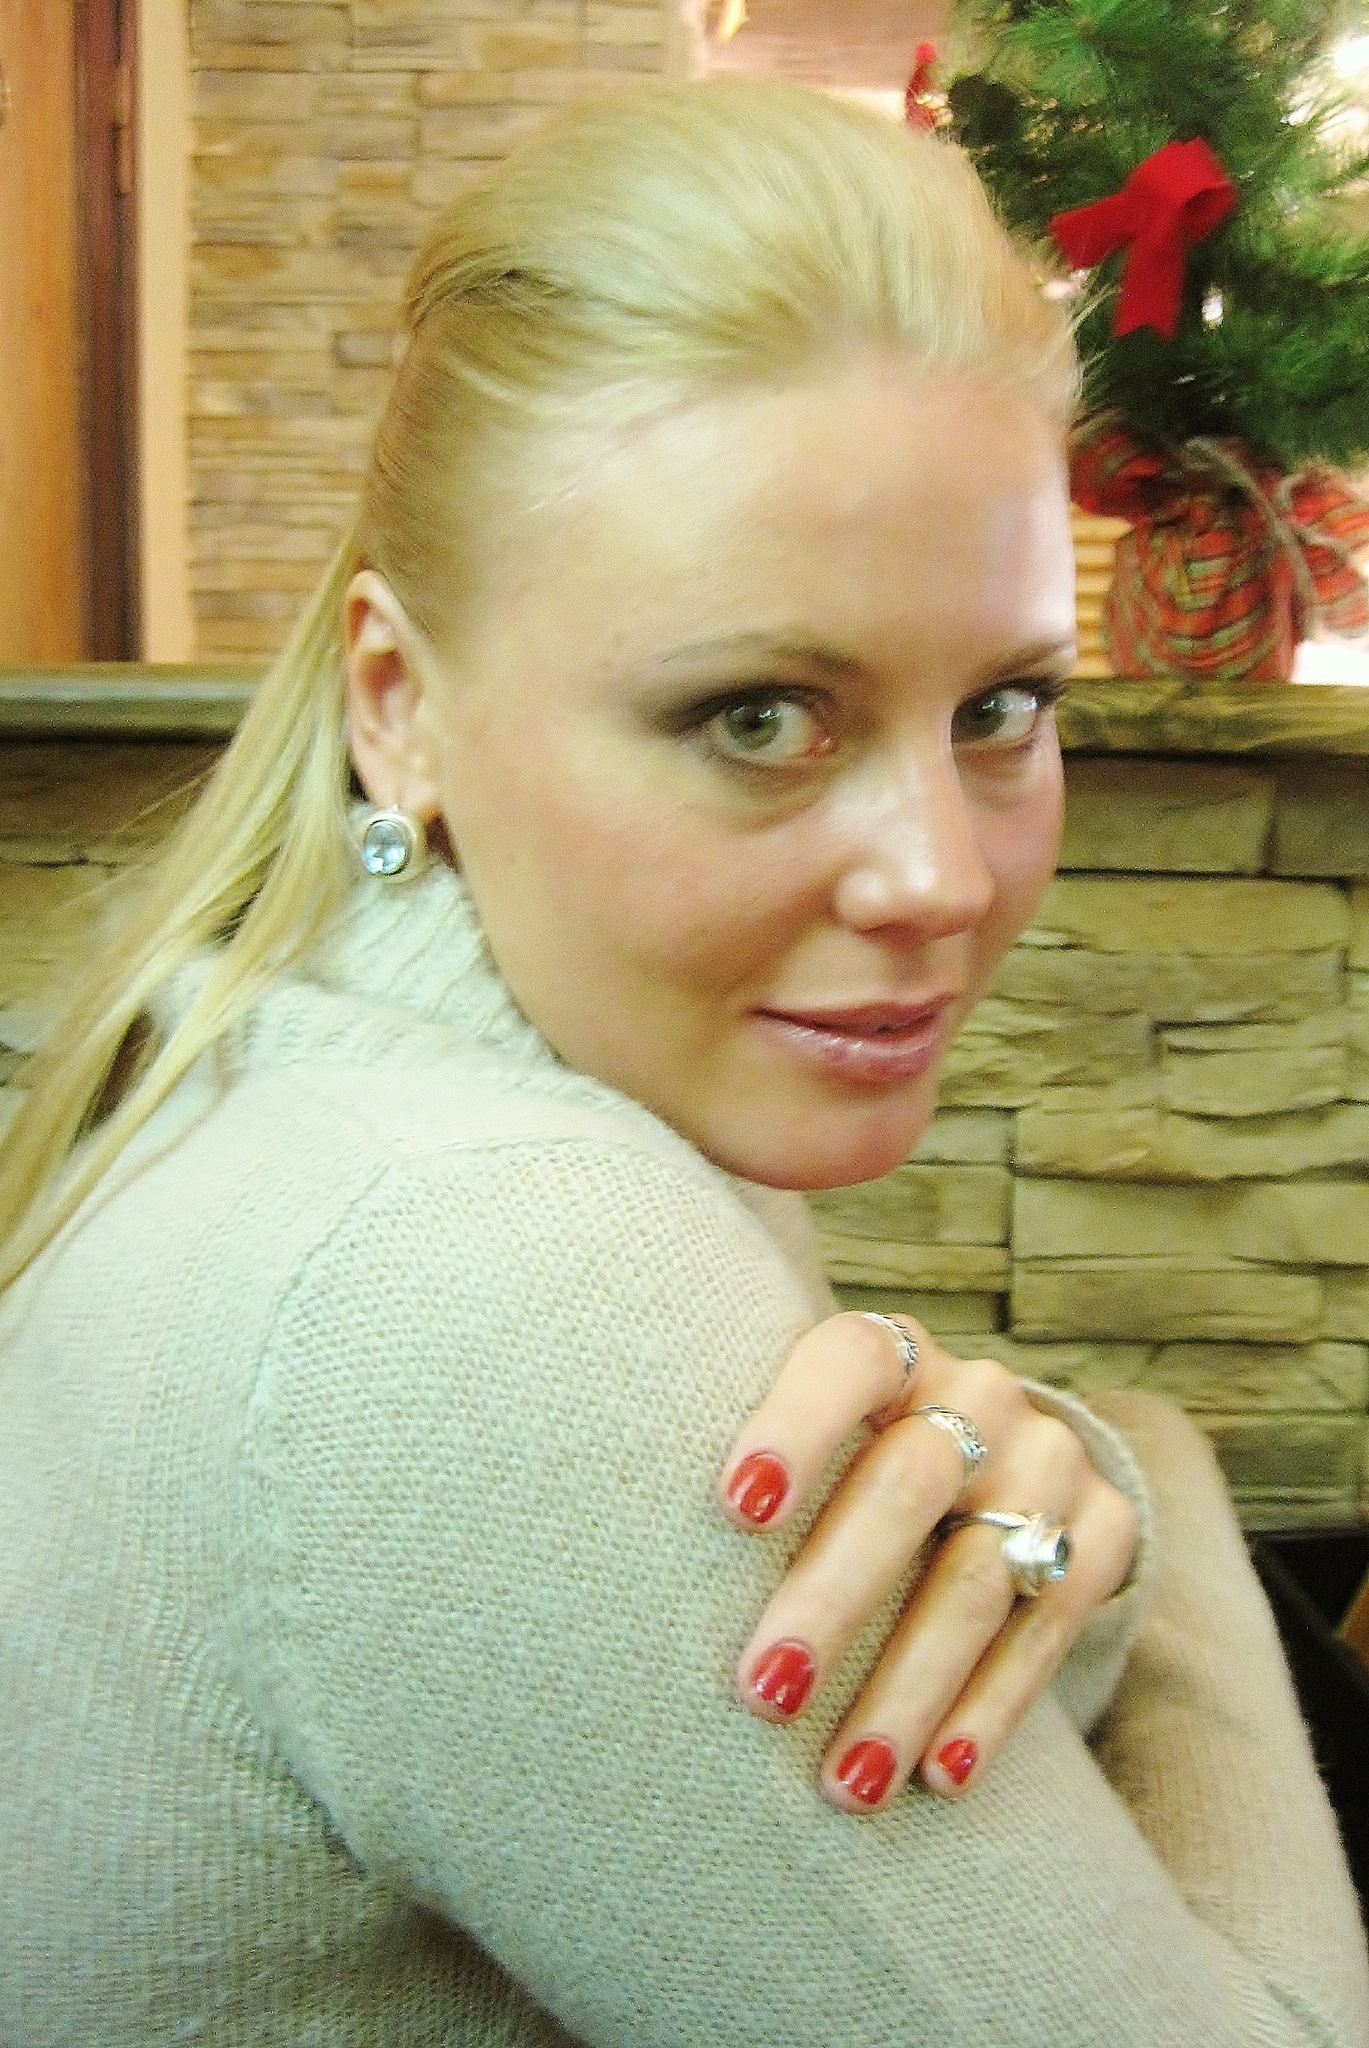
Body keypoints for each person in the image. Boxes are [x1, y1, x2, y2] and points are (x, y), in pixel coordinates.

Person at [0, 77, 1364, 2048]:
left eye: (1001, 705)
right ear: (402, 710)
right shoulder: (481, 1282)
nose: (937, 875)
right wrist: (1156, 1474)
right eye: (756, 717)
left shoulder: (306, 1065)